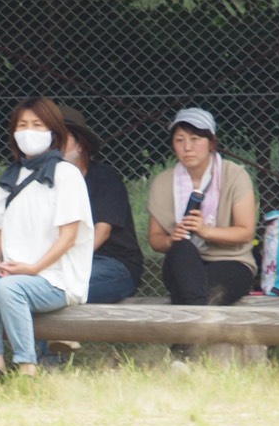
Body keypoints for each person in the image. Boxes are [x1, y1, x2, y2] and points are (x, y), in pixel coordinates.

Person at [0, 97, 94, 378]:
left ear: (53, 132)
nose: (29, 131)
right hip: (13, 273)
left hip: (57, 280)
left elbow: (68, 238)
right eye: (23, 125)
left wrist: (33, 268)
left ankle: (27, 368)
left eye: (38, 125)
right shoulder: (10, 176)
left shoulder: (67, 174)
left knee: (9, 288)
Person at [146, 107, 258, 319]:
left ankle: (187, 332)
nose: (187, 147)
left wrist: (205, 231)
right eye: (180, 140)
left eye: (195, 139)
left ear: (211, 142)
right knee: (182, 248)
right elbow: (155, 239)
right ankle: (194, 329)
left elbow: (245, 233)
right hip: (182, 262)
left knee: (194, 293)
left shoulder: (234, 175)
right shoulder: (163, 181)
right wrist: (171, 239)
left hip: (231, 260)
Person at [59, 106, 143, 303]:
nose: (54, 145)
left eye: (61, 138)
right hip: (65, 264)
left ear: (80, 145)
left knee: (58, 286)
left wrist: (61, 265)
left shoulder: (105, 177)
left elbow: (102, 232)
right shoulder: (49, 182)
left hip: (113, 264)